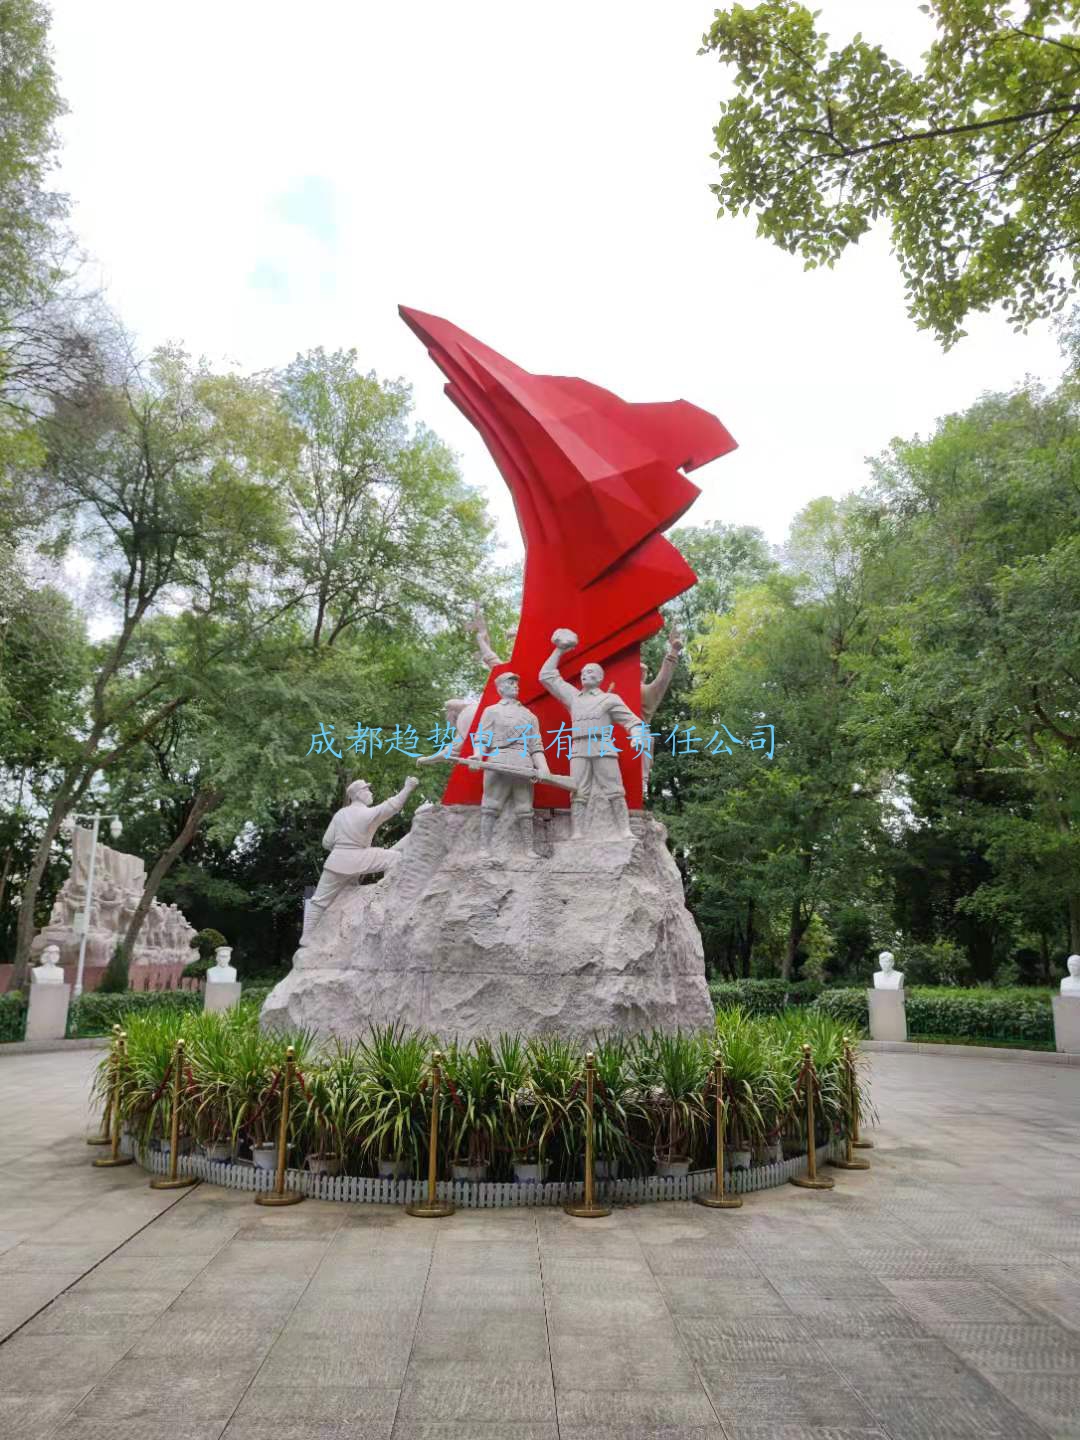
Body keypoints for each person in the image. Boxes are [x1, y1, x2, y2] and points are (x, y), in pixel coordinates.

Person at [420, 672, 551, 858]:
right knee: (490, 806)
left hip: (522, 762)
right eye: (510, 683)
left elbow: (536, 746)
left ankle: (529, 849)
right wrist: (477, 755)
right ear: (500, 688)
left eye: (516, 683)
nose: (515, 686)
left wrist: (544, 768)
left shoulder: (529, 716)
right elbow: (482, 738)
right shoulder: (491, 711)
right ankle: (484, 847)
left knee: (525, 809)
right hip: (497, 759)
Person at [540, 628, 644, 841]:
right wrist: (559, 650)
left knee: (615, 789)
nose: (585, 674)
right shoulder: (573, 697)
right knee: (578, 791)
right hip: (579, 748)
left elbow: (633, 721)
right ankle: (578, 831)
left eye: (590, 671)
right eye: (583, 672)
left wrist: (636, 735)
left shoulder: (609, 699)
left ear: (600, 677)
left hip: (603, 747)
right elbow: (547, 676)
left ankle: (624, 829)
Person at [301, 776, 419, 941]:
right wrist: (408, 787)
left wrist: (343, 849)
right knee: (396, 858)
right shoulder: (367, 813)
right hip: (359, 857)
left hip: (335, 861)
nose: (370, 793)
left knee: (318, 901)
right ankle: (388, 895)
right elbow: (392, 806)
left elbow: (326, 842)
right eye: (367, 790)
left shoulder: (340, 814)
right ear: (358, 794)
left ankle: (306, 939)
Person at [640, 629, 684, 790]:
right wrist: (674, 650)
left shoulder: (643, 692)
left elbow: (662, 680)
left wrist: (674, 651)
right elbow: (662, 680)